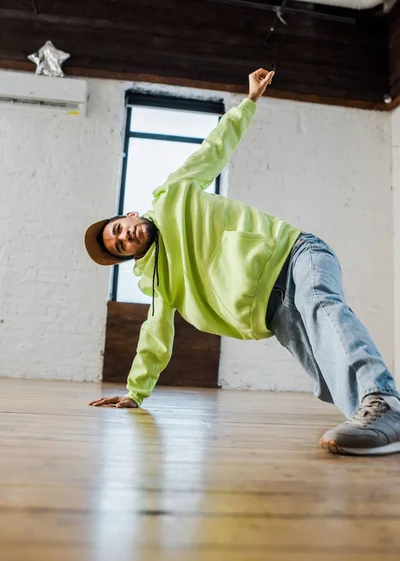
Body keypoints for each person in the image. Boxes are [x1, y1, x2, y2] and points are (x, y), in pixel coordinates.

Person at [85, 68, 400, 456]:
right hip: (272, 312)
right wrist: (136, 393)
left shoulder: (173, 195)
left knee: (322, 306)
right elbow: (156, 334)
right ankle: (375, 420)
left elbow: (215, 148)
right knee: (326, 373)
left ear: (129, 214)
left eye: (118, 228)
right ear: (127, 256)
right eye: (118, 246)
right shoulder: (159, 282)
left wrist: (248, 101)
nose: (122, 237)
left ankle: (384, 402)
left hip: (293, 254)